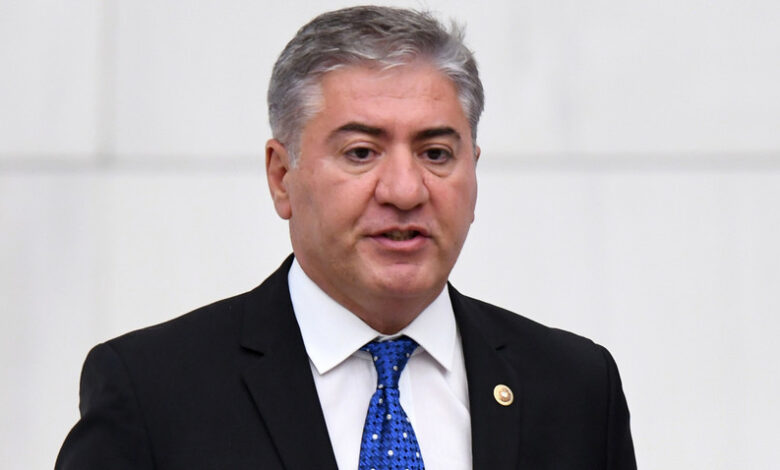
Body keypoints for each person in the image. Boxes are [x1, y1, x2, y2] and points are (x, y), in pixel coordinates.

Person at [56, 6, 636, 469]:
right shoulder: (154, 393)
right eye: (361, 152)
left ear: (474, 173)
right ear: (281, 176)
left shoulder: (576, 388)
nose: (405, 190)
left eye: (436, 153)